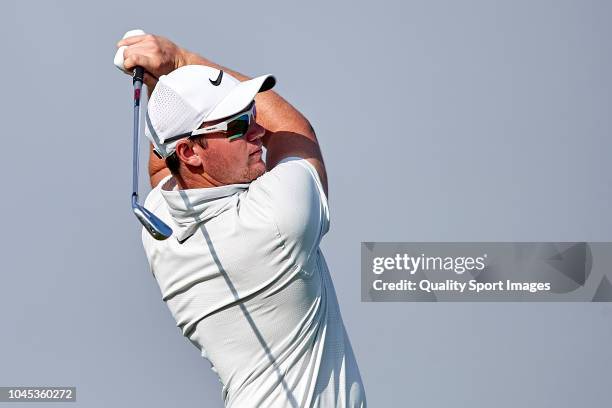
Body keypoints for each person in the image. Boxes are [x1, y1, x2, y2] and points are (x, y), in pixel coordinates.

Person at [116, 33, 366, 408]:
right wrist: (180, 62)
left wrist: (163, 89)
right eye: (238, 126)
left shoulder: (159, 225)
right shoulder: (278, 220)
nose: (259, 131)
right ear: (189, 152)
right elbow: (296, 134)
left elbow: (162, 167)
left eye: (252, 115)